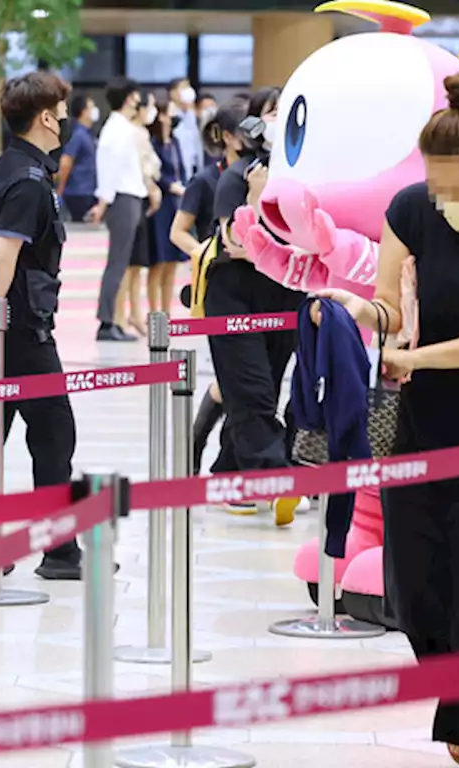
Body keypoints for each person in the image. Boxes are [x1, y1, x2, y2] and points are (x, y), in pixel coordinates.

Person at [317, 72, 459, 768]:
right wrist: (361, 312)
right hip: (418, 426)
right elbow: (390, 306)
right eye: (436, 180)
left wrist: (418, 357)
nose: (445, 197)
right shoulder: (410, 208)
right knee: (417, 588)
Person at [0, 71, 82, 580]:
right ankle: (59, 552)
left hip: (4, 327)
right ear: (45, 117)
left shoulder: (4, 168)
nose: (67, 118)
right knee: (55, 432)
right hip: (19, 331)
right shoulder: (30, 182)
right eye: (62, 109)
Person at [206, 86, 303, 525]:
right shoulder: (239, 176)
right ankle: (275, 475)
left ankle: (227, 475)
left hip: (283, 295)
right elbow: (237, 243)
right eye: (272, 112)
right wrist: (253, 200)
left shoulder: (301, 178)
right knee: (253, 391)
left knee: (258, 390)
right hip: (234, 297)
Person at [169, 98, 249, 473]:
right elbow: (178, 232)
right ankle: (203, 449)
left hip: (261, 290)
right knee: (234, 380)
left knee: (236, 382)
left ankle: (205, 450)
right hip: (219, 291)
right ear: (228, 136)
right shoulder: (206, 180)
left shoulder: (262, 175)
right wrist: (207, 251)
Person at [90, 76, 147, 342]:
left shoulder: (120, 127)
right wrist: (104, 200)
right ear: (129, 98)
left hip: (126, 197)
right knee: (118, 262)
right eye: (136, 96)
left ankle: (110, 320)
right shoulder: (118, 129)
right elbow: (109, 168)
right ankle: (107, 321)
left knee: (121, 262)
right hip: (122, 198)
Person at [116, 91, 160, 338]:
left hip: (143, 197)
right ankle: (119, 316)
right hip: (134, 196)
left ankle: (134, 312)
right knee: (126, 264)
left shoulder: (142, 133)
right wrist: (151, 188)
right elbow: (141, 167)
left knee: (136, 265)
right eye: (150, 105)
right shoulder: (131, 133)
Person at [146, 96, 188, 317]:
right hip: (161, 204)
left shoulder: (176, 141)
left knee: (172, 261)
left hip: (176, 204)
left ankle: (167, 311)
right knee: (159, 261)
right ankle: (154, 312)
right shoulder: (154, 143)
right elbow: (156, 172)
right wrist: (170, 186)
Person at [57, 93, 98, 222]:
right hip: (79, 192)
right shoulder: (78, 135)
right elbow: (66, 162)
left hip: (88, 190)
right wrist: (60, 189)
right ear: (83, 112)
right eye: (91, 107)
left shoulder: (88, 134)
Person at [168, 77, 202, 181]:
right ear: (173, 93)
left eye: (188, 86)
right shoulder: (170, 114)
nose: (188, 90)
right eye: (183, 87)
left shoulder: (191, 114)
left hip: (194, 164)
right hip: (178, 169)